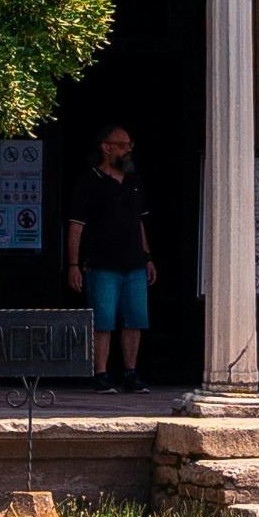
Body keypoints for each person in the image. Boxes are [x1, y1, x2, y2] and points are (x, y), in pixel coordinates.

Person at [64, 124, 156, 392]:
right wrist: (73, 265)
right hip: (101, 264)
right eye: (123, 145)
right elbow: (76, 226)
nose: (128, 150)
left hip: (135, 264)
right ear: (106, 148)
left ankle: (130, 372)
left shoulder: (134, 181)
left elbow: (140, 222)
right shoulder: (88, 182)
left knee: (135, 319)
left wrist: (147, 256)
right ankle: (101, 374)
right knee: (103, 321)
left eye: (130, 145)